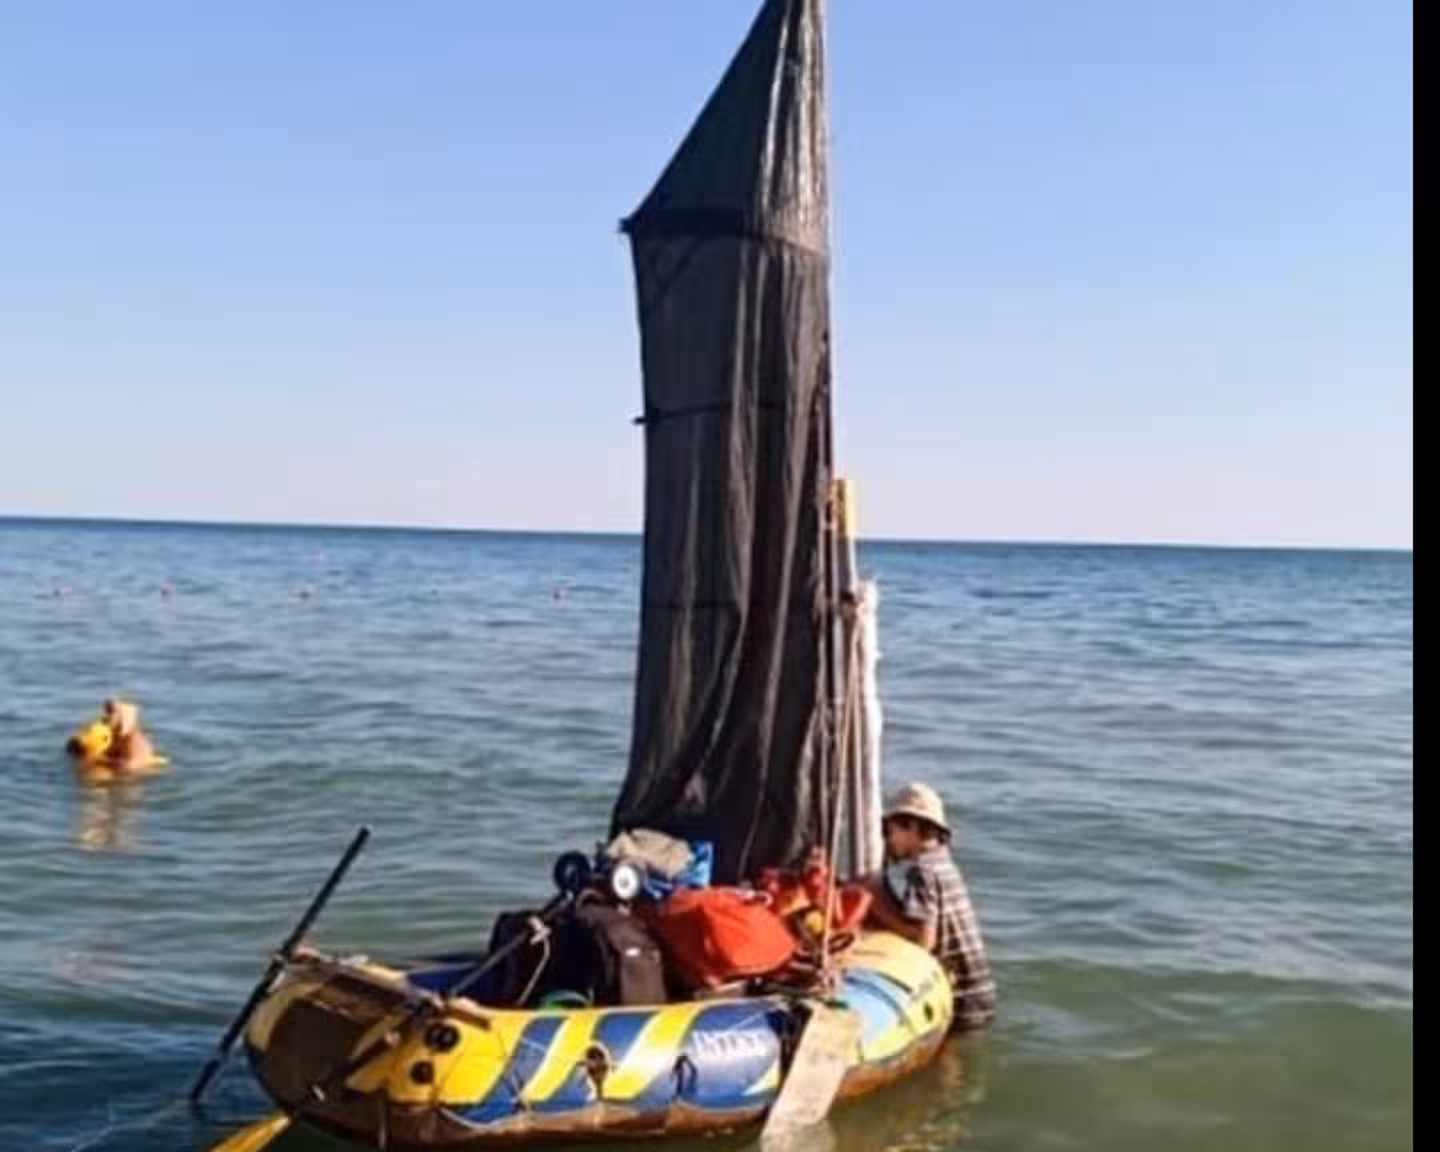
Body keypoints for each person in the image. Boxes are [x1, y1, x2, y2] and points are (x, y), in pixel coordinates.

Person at [864, 782, 996, 1030]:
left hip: (959, 998)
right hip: (979, 990)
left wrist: (873, 902)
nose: (887, 840)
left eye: (889, 830)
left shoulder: (922, 871)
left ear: (913, 827)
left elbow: (924, 941)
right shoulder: (942, 863)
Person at [100, 697, 158, 770]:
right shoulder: (131, 728)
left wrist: (102, 760)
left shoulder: (125, 734)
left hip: (131, 766)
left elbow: (129, 765)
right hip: (139, 759)